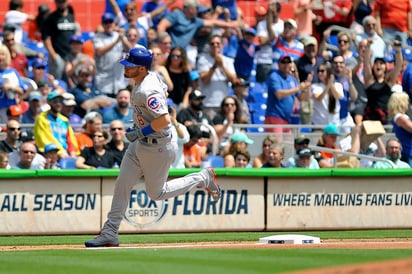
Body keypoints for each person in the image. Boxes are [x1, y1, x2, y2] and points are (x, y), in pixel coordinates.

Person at [85, 46, 221, 248]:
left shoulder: (147, 89)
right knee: (122, 184)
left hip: (158, 146)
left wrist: (141, 131)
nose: (126, 68)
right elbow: (165, 88)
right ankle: (110, 232)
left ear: (141, 68)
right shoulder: (149, 77)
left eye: (130, 65)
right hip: (141, 144)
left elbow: (165, 119)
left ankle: (202, 177)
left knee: (157, 193)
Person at [264, 55, 311, 134]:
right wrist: (298, 88)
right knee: (277, 145)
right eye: (283, 62)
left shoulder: (292, 79)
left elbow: (302, 99)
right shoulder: (274, 76)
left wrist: (307, 88)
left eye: (288, 62)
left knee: (288, 145)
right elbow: (279, 94)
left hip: (286, 119)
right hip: (275, 117)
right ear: (278, 64)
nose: (286, 65)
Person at [197, 35, 237, 118]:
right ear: (209, 46)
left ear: (222, 45)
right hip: (208, 104)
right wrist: (215, 66)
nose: (215, 45)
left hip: (225, 104)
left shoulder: (228, 61)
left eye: (218, 43)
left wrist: (222, 66)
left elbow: (234, 80)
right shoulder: (203, 60)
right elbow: (204, 80)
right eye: (212, 44)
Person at [33, 91, 79, 158]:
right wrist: (60, 152)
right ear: (48, 102)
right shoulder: (42, 119)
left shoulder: (64, 120)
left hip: (67, 154)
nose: (58, 104)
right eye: (55, 101)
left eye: (60, 101)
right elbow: (45, 139)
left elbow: (70, 138)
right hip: (50, 154)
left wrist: (72, 151)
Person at [42, 0, 78, 80]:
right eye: (59, 1)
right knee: (57, 81)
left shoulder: (71, 16)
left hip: (70, 55)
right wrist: (53, 55)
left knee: (70, 81)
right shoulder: (51, 18)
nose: (61, 3)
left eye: (63, 1)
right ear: (56, 2)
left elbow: (75, 35)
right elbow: (46, 38)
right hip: (58, 55)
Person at [387, 92, 412, 166]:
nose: (408, 103)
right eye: (406, 101)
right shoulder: (400, 117)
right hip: (408, 151)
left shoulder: (402, 116)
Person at [168, 99, 190, 168]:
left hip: (178, 168)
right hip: (162, 170)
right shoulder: (156, 126)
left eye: (169, 110)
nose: (167, 112)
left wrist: (174, 121)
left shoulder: (181, 127)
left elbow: (184, 139)